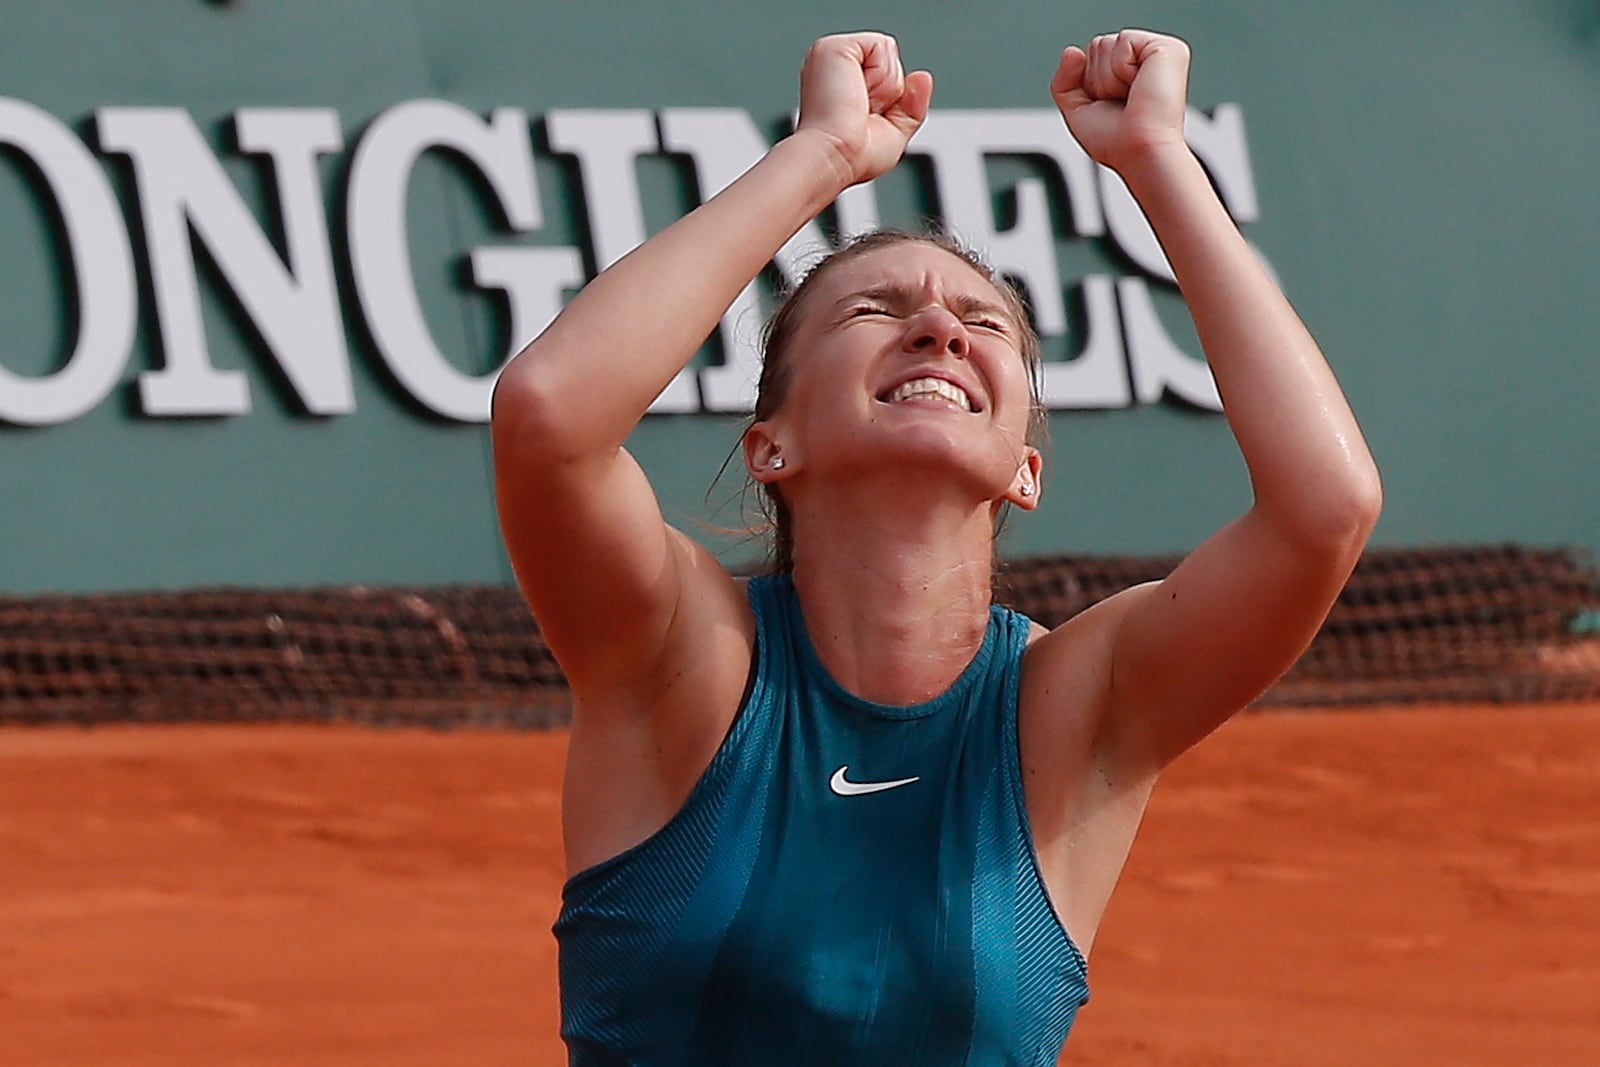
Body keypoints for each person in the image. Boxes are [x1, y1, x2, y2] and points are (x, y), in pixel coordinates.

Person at [491, 28, 1381, 1066]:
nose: (938, 331)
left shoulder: (1073, 703)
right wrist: (821, 155)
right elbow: (548, 413)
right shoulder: (683, 658)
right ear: (770, 443)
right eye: (873, 310)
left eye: (982, 324)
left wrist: (1158, 162)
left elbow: (1327, 505)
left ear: (1025, 470)